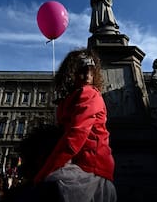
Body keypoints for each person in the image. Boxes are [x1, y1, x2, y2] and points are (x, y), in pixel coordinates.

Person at [34, 48, 117, 202]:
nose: (87, 77)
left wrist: (44, 172)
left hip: (90, 169)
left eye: (91, 73)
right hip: (84, 166)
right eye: (82, 72)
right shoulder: (72, 97)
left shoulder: (89, 93)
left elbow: (75, 135)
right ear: (70, 75)